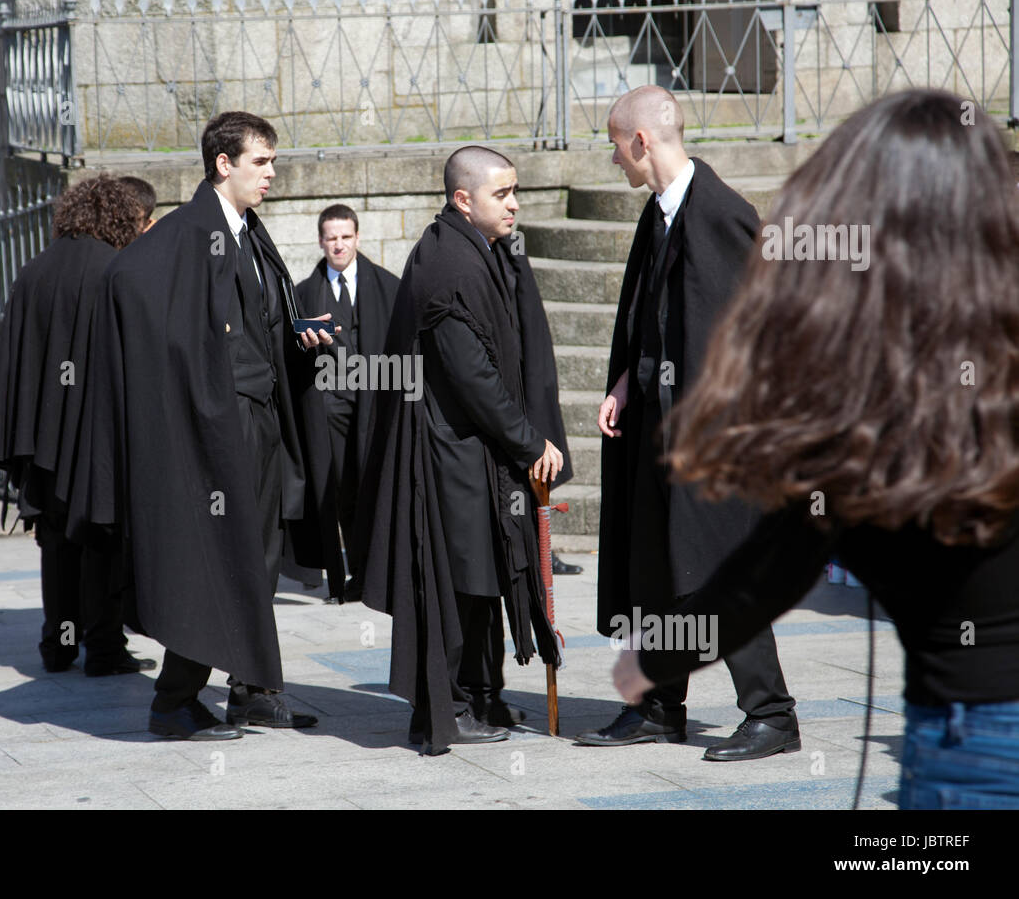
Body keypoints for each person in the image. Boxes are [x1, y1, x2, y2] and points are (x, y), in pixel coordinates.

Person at [611, 87, 1019, 808]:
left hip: (967, 753)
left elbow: (768, 571)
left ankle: (765, 713)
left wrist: (654, 657)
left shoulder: (867, 413)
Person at [67, 111, 342, 741]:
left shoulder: (247, 231)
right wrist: (196, 383)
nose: (272, 173)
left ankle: (252, 691)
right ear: (224, 163)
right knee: (217, 559)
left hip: (260, 420)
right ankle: (174, 700)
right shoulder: (188, 231)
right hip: (220, 425)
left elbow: (254, 317)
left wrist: (296, 335)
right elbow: (129, 282)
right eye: (261, 162)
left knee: (260, 556)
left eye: (272, 161)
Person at [579, 85, 800, 760]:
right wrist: (626, 377)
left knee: (715, 570)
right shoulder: (661, 212)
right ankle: (658, 706)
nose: (614, 160)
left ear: (641, 142)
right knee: (654, 565)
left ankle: (772, 713)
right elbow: (655, 311)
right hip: (658, 423)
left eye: (617, 147)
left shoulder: (723, 214)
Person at [353, 145, 572, 754]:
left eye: (515, 191)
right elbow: (471, 372)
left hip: (475, 453)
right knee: (457, 582)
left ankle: (478, 694)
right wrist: (529, 441)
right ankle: (447, 704)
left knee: (483, 578)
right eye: (502, 193)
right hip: (447, 456)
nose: (515, 204)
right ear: (463, 199)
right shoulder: (446, 264)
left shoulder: (482, 249)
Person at [0, 175, 154, 676]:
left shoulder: (34, 269)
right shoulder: (115, 268)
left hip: (42, 432)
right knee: (98, 534)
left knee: (54, 537)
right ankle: (102, 647)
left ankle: (57, 645)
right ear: (119, 217)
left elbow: (17, 361)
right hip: (94, 430)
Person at [294, 204, 400, 602]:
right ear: (321, 241)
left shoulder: (389, 287)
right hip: (330, 408)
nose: (338, 245)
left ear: (357, 237)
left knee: (375, 486)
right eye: (331, 238)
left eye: (345, 236)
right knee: (340, 489)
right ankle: (351, 576)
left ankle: (378, 571)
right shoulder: (304, 294)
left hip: (374, 402)